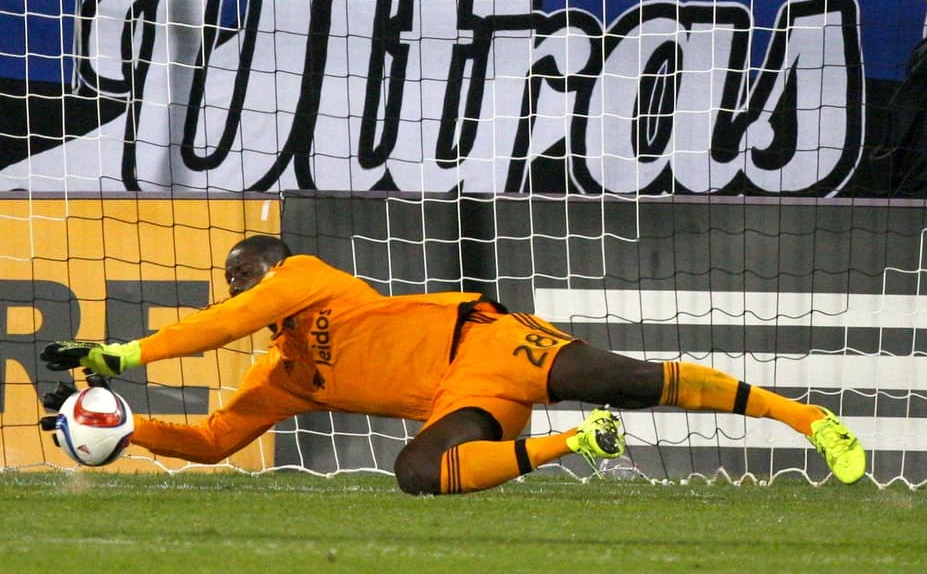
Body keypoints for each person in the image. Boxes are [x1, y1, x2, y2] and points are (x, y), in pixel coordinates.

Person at [40, 235, 866, 492]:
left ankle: (809, 420)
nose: (247, 292)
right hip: (460, 397)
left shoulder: (307, 278)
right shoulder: (282, 376)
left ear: (273, 270)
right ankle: (575, 446)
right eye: (240, 284)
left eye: (246, 280)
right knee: (415, 472)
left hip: (485, 340)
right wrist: (125, 429)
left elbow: (224, 325)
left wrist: (121, 353)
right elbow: (219, 439)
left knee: (631, 381)